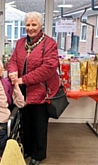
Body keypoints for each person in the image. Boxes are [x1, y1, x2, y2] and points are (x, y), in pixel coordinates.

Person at [8, 11, 60, 165]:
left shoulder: (49, 43)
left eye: (34, 24)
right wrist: (12, 71)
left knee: (39, 124)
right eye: (28, 24)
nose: (30, 28)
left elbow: (48, 68)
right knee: (25, 122)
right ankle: (28, 149)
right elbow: (13, 60)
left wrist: (24, 79)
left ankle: (38, 154)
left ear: (40, 25)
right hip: (21, 90)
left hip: (41, 91)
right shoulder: (20, 42)